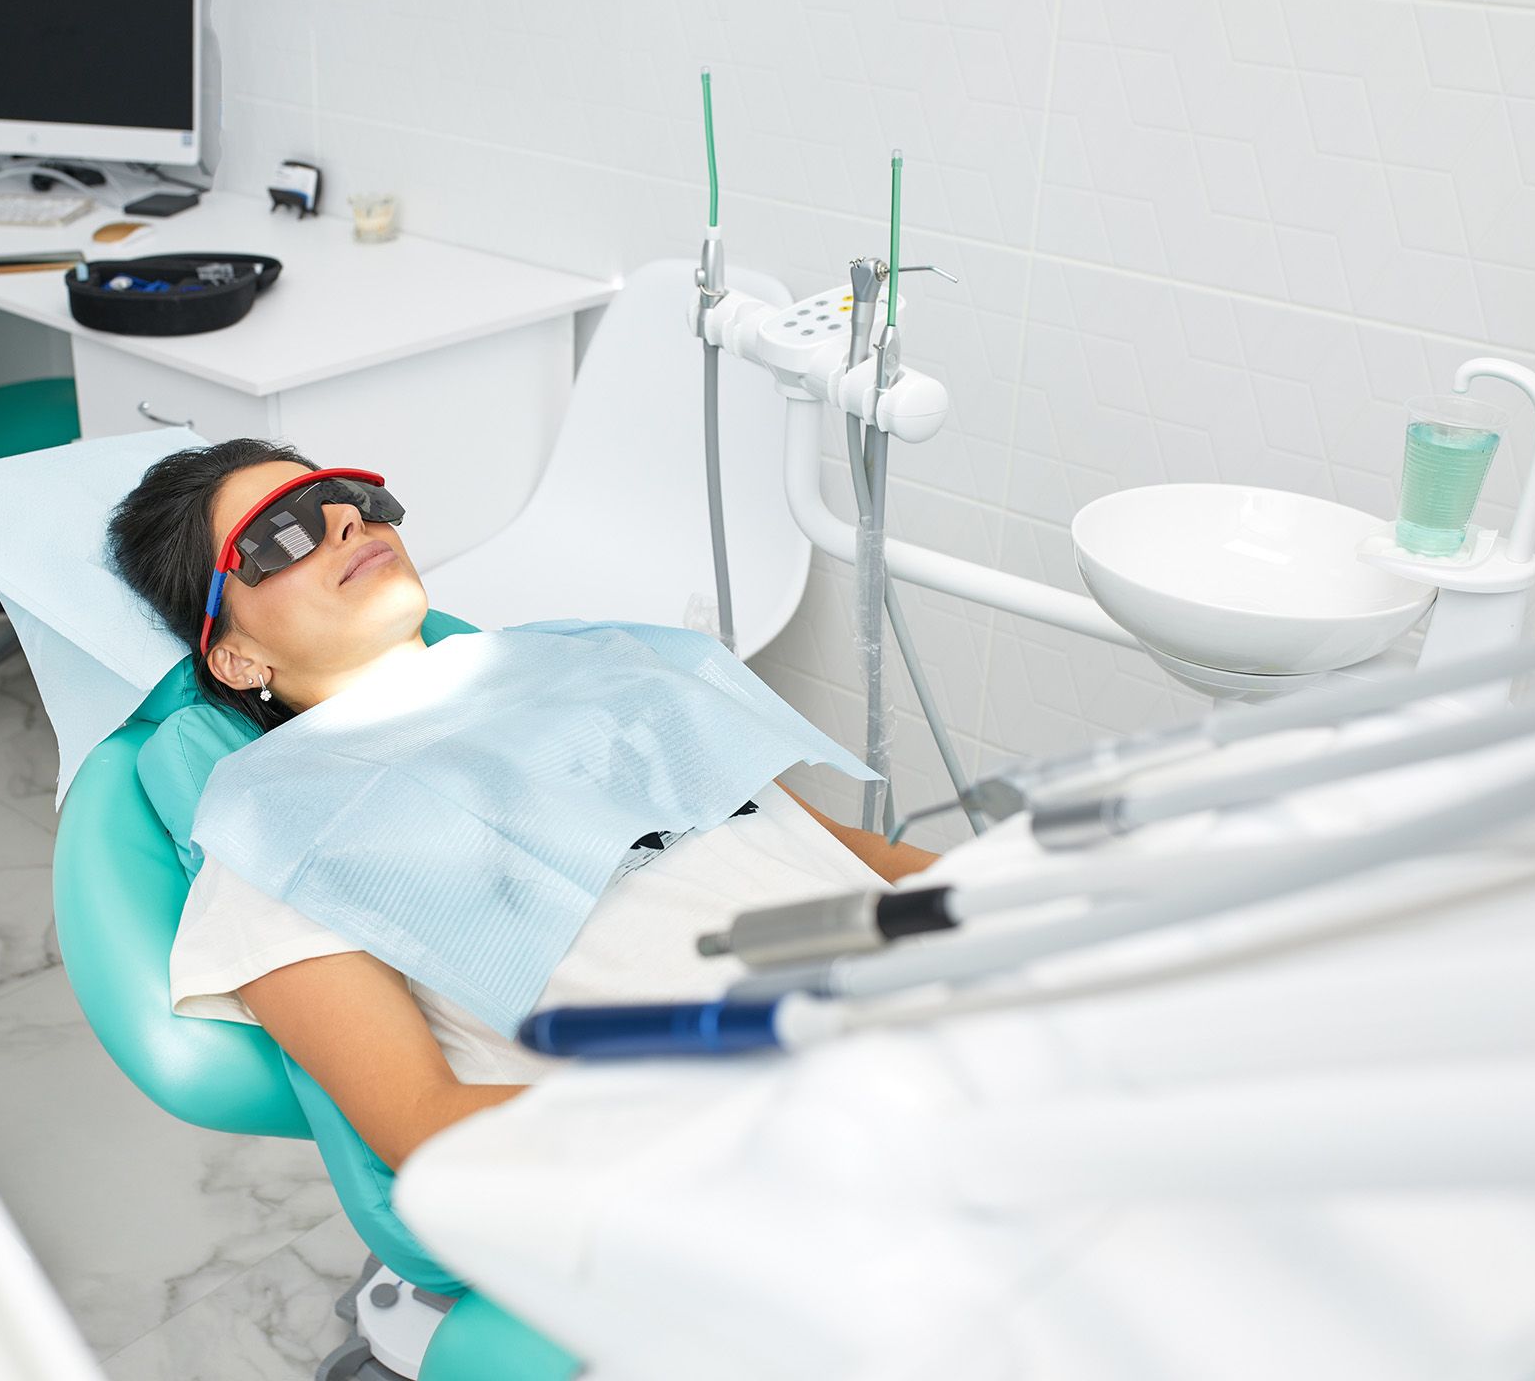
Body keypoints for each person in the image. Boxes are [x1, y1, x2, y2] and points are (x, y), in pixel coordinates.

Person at [109, 440, 934, 1168]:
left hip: (949, 992)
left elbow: (846, 851)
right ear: (237, 659)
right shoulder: (281, 841)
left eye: (350, 501)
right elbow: (419, 1122)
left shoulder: (595, 671)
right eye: (280, 534)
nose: (347, 526)